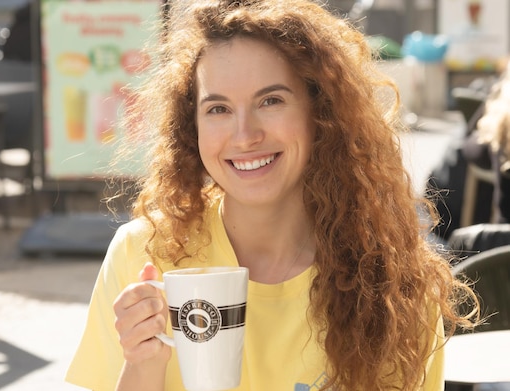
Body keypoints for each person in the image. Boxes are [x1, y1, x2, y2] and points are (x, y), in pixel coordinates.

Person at [66, 1, 479, 390]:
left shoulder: (394, 287)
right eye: (218, 109)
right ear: (191, 128)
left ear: (322, 116)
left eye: (271, 100)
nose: (245, 136)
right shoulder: (142, 255)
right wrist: (142, 366)